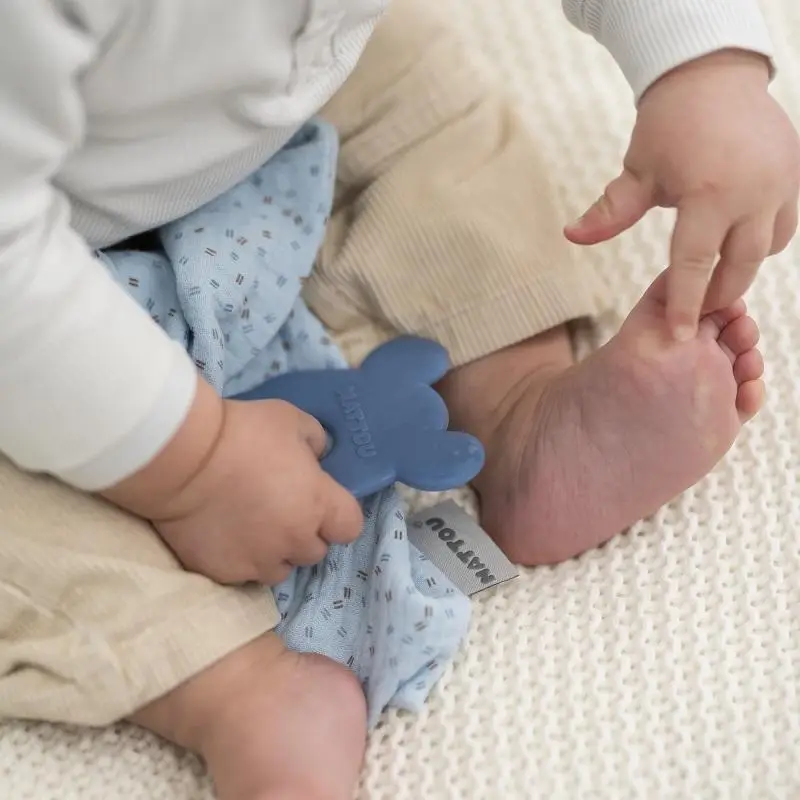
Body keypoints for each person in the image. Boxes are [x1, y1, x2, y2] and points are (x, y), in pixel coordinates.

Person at [0, 0, 797, 798]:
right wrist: (193, 465)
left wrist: (702, 66)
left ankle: (513, 395)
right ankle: (223, 674)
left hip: (260, 102)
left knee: (423, 102)